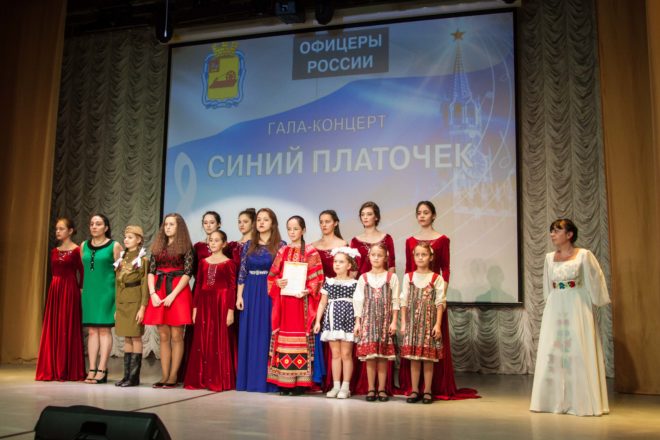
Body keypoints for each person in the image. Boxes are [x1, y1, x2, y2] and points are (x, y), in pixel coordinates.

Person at [530, 219, 610, 416]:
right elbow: (547, 284)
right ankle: (552, 400)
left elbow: (595, 277)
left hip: (577, 303)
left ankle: (581, 401)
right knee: (554, 348)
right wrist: (549, 304)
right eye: (551, 231)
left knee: (577, 347)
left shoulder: (583, 255)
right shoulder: (549, 258)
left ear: (569, 234)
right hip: (556, 303)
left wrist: (596, 299)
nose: (552, 234)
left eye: (557, 231)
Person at [399, 200, 478, 400]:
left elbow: (446, 268)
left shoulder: (442, 240)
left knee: (431, 350)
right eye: (419, 213)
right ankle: (414, 388)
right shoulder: (410, 241)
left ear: (433, 215)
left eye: (426, 212)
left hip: (433, 303)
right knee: (415, 353)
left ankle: (431, 388)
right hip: (414, 303)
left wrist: (439, 295)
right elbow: (408, 268)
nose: (422, 216)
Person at [267, 216, 324, 395]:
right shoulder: (282, 251)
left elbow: (318, 278)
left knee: (301, 339)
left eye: (296, 229)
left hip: (302, 303)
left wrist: (308, 289)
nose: (292, 232)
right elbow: (272, 276)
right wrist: (279, 282)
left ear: (303, 230)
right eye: (289, 229)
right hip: (285, 303)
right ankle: (284, 383)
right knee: (284, 338)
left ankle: (300, 384)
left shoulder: (311, 252)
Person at [235, 208, 284, 392]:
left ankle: (268, 381)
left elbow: (283, 272)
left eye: (266, 220)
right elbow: (242, 272)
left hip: (270, 291)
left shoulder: (280, 245)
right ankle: (249, 381)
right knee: (249, 333)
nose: (261, 223)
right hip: (250, 290)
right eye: (259, 220)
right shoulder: (249, 244)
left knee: (267, 333)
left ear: (273, 223)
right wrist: (239, 296)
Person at [144, 213, 194, 388]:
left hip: (178, 291)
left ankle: (173, 376)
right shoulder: (158, 246)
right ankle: (164, 376)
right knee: (163, 336)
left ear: (179, 227)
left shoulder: (186, 247)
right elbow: (151, 271)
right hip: (159, 290)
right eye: (166, 224)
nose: (168, 227)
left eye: (172, 224)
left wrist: (173, 295)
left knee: (177, 336)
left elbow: (188, 273)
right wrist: (153, 293)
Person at [184, 230, 237, 392]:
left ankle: (218, 379)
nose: (212, 243)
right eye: (210, 240)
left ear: (224, 243)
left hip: (221, 304)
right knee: (203, 339)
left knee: (219, 338)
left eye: (216, 240)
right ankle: (202, 378)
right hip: (204, 304)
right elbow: (199, 285)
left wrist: (230, 311)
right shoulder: (203, 263)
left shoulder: (229, 263)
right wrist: (195, 308)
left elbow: (232, 288)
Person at [35, 217, 85, 381]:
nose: (57, 231)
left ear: (70, 231)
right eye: (56, 229)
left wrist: (81, 289)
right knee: (54, 326)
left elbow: (82, 272)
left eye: (61, 229)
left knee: (67, 325)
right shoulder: (54, 251)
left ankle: (67, 369)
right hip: (55, 290)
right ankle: (52, 368)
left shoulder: (77, 250)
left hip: (70, 290)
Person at [353, 242, 400, 402]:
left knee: (382, 357)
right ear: (369, 257)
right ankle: (371, 389)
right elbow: (358, 300)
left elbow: (395, 300)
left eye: (379, 255)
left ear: (385, 258)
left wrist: (394, 322)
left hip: (384, 322)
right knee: (371, 357)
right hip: (368, 321)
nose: (376, 258)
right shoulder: (364, 278)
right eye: (373, 255)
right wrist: (358, 322)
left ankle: (382, 389)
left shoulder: (391, 277)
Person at [400, 242, 445, 404]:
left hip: (428, 322)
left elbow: (440, 302)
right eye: (417, 254)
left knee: (427, 358)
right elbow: (404, 300)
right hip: (412, 322)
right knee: (414, 358)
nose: (420, 257)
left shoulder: (436, 278)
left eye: (424, 254)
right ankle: (414, 390)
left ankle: (427, 390)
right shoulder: (409, 277)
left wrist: (437, 324)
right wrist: (403, 323)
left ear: (430, 257)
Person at [81, 213, 122, 384]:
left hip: (107, 293)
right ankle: (92, 368)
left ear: (106, 228)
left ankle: (102, 369)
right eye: (92, 223)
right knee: (92, 331)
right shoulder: (83, 245)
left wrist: (118, 299)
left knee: (104, 330)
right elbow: (83, 269)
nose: (94, 226)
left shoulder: (114, 245)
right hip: (90, 293)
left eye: (98, 224)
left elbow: (120, 273)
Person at [181, 210, 222, 382]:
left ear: (219, 224)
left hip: (218, 294)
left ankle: (215, 372)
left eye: (212, 222)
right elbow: (192, 270)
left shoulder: (224, 246)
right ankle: (194, 371)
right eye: (205, 222)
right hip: (199, 290)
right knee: (196, 330)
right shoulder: (197, 247)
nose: (208, 225)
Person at [313, 247, 359, 399]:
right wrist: (318, 321)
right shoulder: (329, 282)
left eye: (341, 262)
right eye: (335, 261)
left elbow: (358, 305)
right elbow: (322, 303)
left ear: (349, 265)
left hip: (348, 320)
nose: (337, 264)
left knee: (346, 354)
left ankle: (346, 387)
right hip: (332, 320)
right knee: (336, 354)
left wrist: (357, 322)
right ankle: (336, 385)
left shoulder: (354, 284)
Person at [311, 209, 348, 388]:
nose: (324, 225)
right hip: (317, 294)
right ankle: (322, 379)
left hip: (337, 295)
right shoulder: (313, 245)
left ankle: (338, 382)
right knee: (320, 333)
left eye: (327, 221)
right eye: (321, 221)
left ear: (336, 223)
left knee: (338, 338)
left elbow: (350, 271)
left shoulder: (343, 244)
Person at [113, 225, 149, 387]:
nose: (126, 240)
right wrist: (116, 307)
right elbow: (117, 284)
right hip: (122, 302)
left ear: (139, 240)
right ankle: (126, 376)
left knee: (135, 336)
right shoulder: (122, 259)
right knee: (126, 337)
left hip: (135, 302)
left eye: (130, 237)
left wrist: (143, 307)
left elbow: (144, 284)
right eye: (125, 237)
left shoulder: (142, 260)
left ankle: (134, 377)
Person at [350, 202, 395, 275]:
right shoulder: (355, 241)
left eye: (369, 214)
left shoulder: (387, 238)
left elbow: (391, 266)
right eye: (362, 214)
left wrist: (389, 281)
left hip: (383, 280)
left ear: (376, 217)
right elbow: (353, 268)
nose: (365, 217)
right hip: (361, 281)